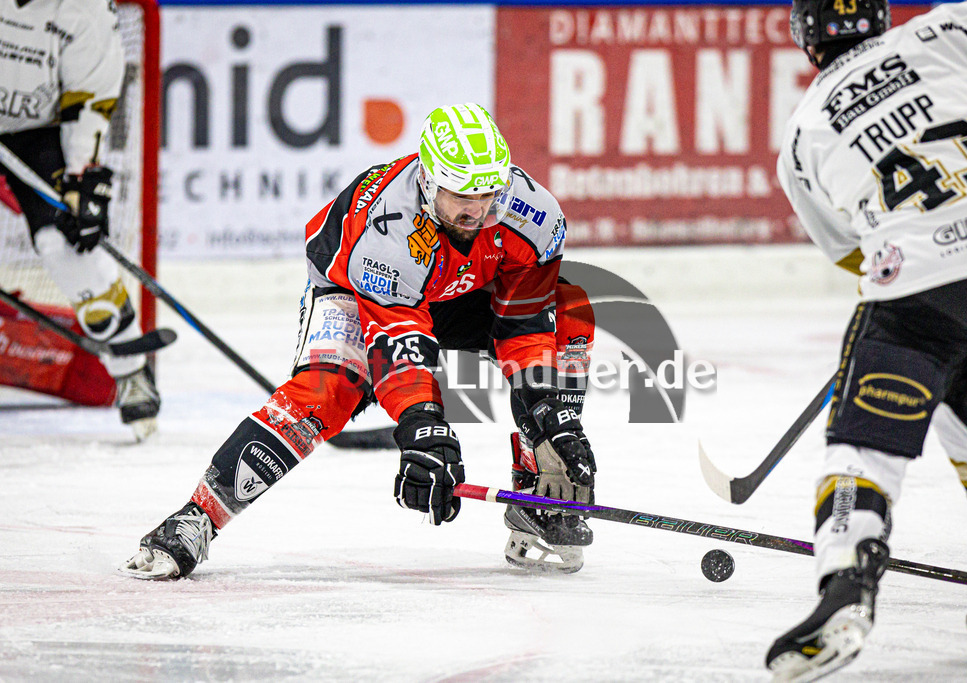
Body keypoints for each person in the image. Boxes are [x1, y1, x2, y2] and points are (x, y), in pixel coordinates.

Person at [120, 103, 598, 579]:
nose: (476, 210)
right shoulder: (388, 225)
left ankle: (540, 492)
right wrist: (423, 424)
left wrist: (552, 411)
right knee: (329, 390)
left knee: (571, 310)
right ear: (429, 182)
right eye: (460, 196)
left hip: (460, 287)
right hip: (352, 290)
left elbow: (523, 320)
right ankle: (197, 518)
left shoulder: (532, 212)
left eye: (488, 193)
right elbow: (400, 342)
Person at [768, 0, 967, 679]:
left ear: (805, 37)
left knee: (865, 445)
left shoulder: (800, 135)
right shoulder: (952, 28)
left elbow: (853, 255)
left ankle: (847, 583)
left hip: (920, 281)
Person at [0, 0, 160, 440]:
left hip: (37, 130)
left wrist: (78, 177)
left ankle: (130, 368)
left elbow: (87, 104)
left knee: (65, 242)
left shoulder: (84, 10)